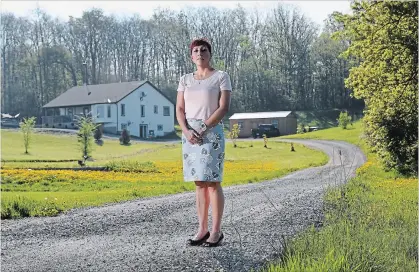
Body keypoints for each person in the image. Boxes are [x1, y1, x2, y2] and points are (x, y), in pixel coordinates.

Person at [176, 38, 232, 247]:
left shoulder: (221, 77)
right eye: (196, 51)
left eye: (204, 50)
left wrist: (202, 128)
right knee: (199, 182)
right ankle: (202, 229)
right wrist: (186, 130)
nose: (200, 53)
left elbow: (223, 107)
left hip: (211, 132)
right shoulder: (185, 79)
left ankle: (216, 231)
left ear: (210, 53)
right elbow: (180, 109)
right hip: (190, 135)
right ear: (191, 56)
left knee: (212, 182)